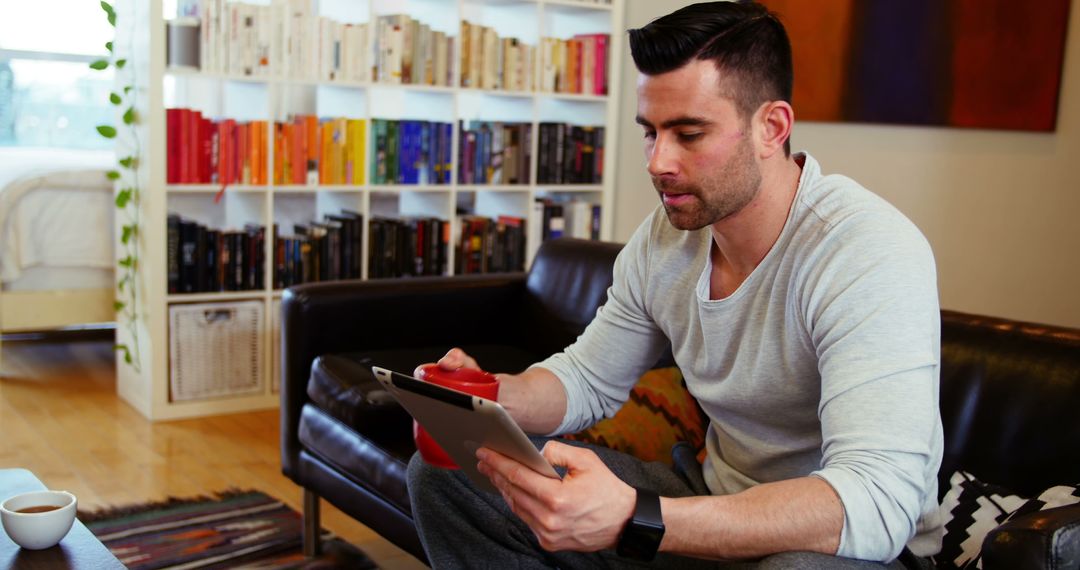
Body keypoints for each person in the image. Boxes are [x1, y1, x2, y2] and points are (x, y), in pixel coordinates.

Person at [407, 2, 943, 568]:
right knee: (453, 479)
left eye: (688, 133)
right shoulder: (667, 239)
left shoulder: (865, 251)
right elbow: (589, 378)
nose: (658, 162)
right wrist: (486, 398)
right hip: (709, 498)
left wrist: (638, 519)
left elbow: (877, 503)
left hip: (843, 546)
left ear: (772, 127)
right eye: (651, 132)